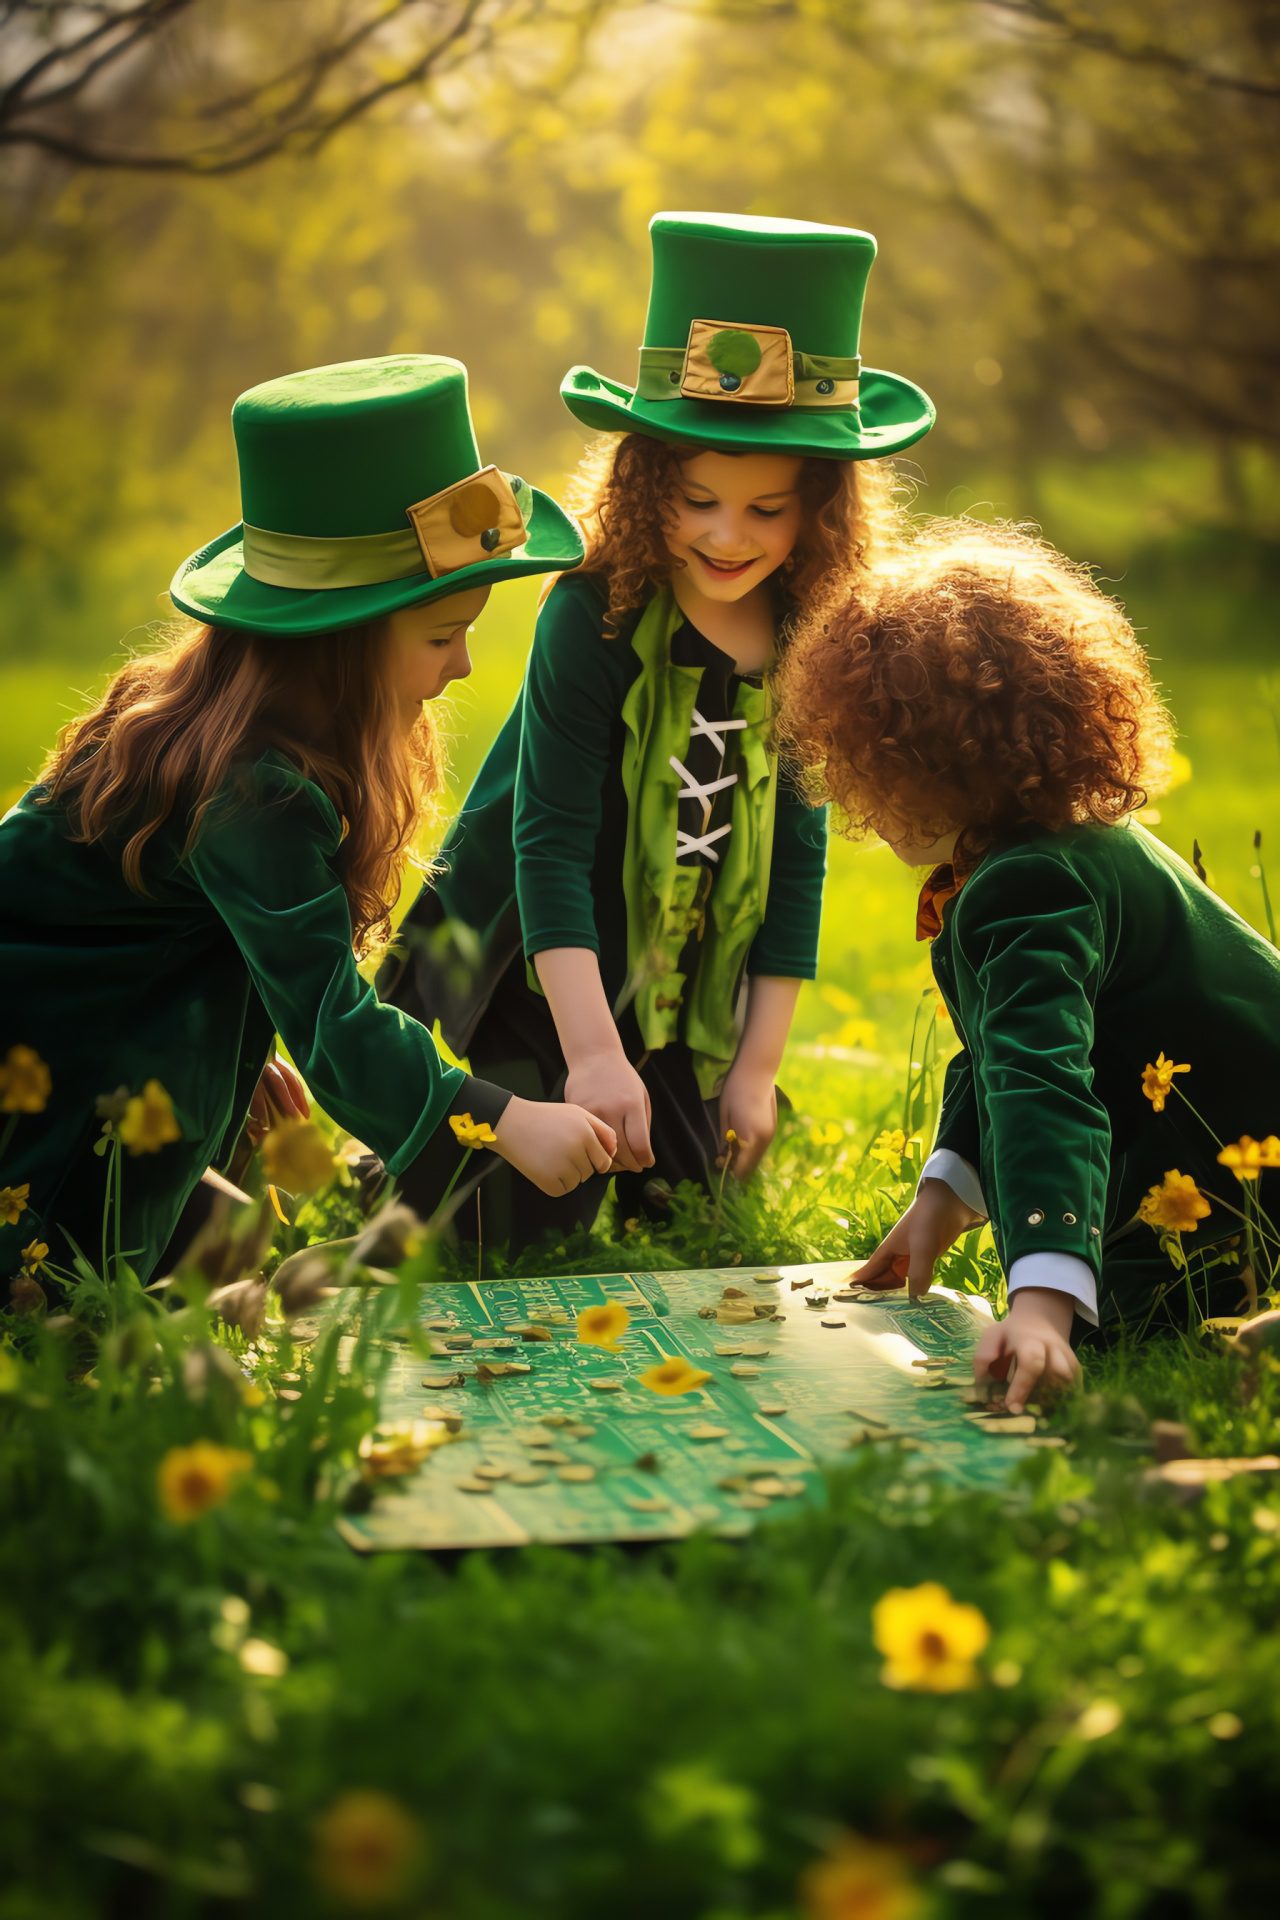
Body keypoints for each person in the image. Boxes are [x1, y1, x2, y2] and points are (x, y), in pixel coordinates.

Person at [0, 355, 617, 1287]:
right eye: (442, 636)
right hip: (36, 1109)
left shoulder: (229, 727)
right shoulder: (252, 788)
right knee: (85, 1310)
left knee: (237, 1244)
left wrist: (238, 1051)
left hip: (93, 1059)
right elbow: (333, 1018)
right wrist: (504, 1118)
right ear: (341, 643)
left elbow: (167, 937)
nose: (462, 666)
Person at [380, 211, 934, 1250]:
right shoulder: (593, 615)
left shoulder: (810, 631)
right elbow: (542, 845)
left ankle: (668, 1088)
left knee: (691, 1208)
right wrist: (590, 1055)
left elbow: (795, 861)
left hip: (678, 988)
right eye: (696, 500)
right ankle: (409, 1157)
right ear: (645, 483)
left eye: (766, 510)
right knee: (516, 1221)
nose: (728, 538)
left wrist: (758, 1072)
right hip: (530, 969)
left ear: (819, 509)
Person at [777, 520, 1280, 1412]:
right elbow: (997, 1050)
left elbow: (1041, 1080)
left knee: (1121, 1319)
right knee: (1133, 1299)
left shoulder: (1027, 887)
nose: (860, 797)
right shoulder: (1058, 846)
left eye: (872, 769)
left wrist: (1043, 1305)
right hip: (1223, 1120)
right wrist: (944, 1191)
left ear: (935, 767)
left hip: (1246, 1143)